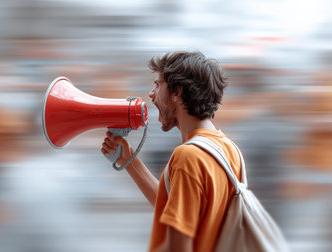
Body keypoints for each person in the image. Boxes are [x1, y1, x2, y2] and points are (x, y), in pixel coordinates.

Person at [101, 51, 242, 252]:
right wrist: (130, 160)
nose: (151, 94)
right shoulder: (227, 148)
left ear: (177, 93)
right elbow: (173, 206)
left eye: (158, 85)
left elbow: (179, 247)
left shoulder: (188, 157)